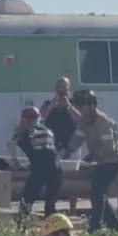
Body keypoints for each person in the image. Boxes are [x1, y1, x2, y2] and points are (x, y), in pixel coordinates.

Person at [64, 90, 118, 233]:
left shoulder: (103, 122)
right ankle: (114, 225)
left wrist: (89, 158)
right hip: (101, 161)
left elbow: (108, 148)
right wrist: (64, 154)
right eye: (78, 106)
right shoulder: (83, 122)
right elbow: (76, 141)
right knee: (99, 192)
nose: (80, 110)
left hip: (113, 160)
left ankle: (95, 227)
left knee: (97, 191)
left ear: (92, 105)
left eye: (82, 106)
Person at [8, 106, 62, 217]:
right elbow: (47, 151)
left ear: (24, 119)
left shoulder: (25, 132)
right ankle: (51, 222)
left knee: (27, 198)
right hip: (56, 167)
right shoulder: (48, 130)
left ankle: (22, 222)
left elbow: (11, 144)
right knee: (50, 204)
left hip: (40, 168)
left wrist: (15, 161)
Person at [41, 77, 78, 212]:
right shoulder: (48, 103)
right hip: (52, 146)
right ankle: (51, 206)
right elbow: (40, 119)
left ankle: (73, 208)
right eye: (59, 88)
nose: (61, 91)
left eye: (64, 88)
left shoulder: (74, 104)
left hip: (71, 146)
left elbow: (80, 120)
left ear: (69, 89)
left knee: (72, 177)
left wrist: (68, 107)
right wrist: (51, 106)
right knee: (53, 176)